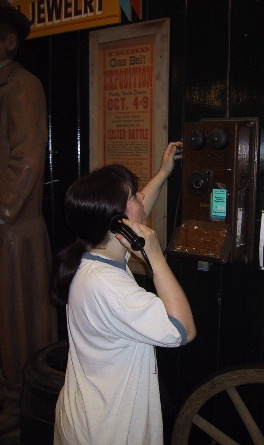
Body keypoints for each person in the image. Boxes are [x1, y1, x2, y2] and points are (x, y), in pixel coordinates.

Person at [51, 142, 196, 445]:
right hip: (109, 429)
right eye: (134, 194)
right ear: (118, 223)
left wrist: (164, 172)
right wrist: (155, 256)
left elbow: (140, 210)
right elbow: (181, 330)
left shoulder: (95, 255)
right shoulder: (110, 287)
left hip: (90, 415)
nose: (143, 196)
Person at [0, 0, 57, 435]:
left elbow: (26, 158)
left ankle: (19, 415)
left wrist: (3, 210)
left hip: (12, 233)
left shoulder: (22, 86)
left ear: (9, 41)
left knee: (16, 330)